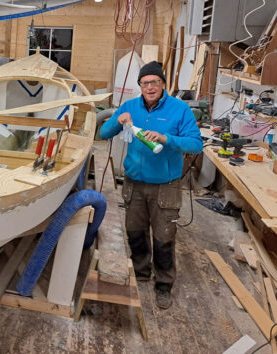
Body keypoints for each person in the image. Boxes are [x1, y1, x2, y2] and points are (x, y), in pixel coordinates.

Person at [99, 61, 202, 309]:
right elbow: (103, 133)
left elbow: (196, 144)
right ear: (140, 86)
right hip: (134, 182)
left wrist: (167, 138)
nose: (150, 87)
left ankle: (164, 284)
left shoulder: (179, 109)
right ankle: (141, 272)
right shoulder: (130, 106)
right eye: (145, 83)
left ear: (163, 84)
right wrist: (117, 120)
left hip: (165, 185)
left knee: (164, 236)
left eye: (154, 82)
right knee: (135, 231)